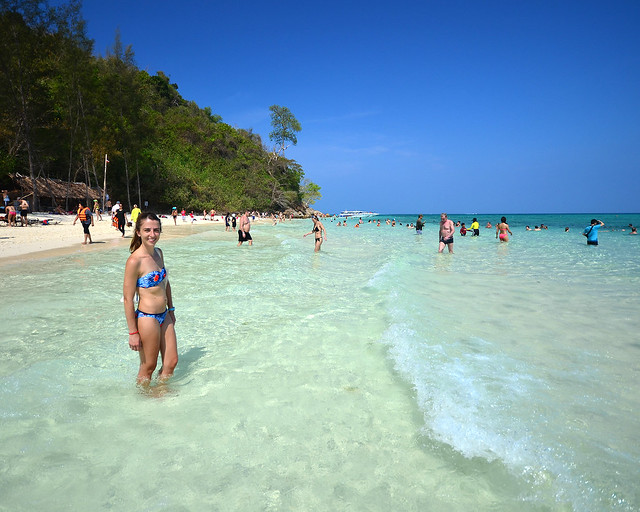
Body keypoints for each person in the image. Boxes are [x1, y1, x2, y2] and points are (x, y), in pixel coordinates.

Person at [123, 212, 177, 383]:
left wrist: (171, 310)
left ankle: (161, 392)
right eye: (147, 230)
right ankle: (143, 400)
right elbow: (127, 299)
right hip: (147, 318)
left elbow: (165, 283)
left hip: (165, 315)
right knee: (149, 366)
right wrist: (133, 332)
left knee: (171, 362)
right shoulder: (134, 261)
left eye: (156, 230)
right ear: (138, 232)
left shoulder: (159, 253)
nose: (152, 235)